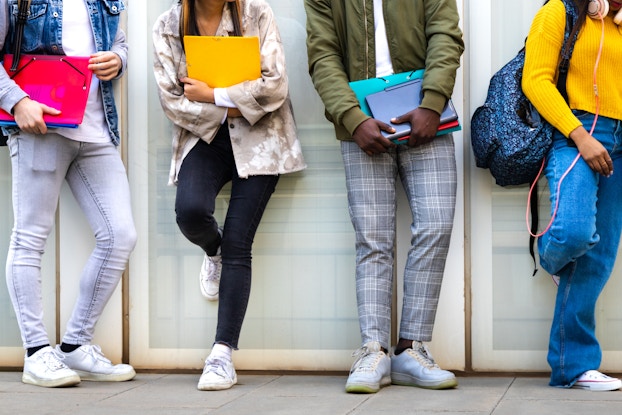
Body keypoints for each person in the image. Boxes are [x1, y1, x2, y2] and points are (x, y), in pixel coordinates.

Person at [304, 0, 464, 393]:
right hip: (360, 124)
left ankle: (411, 349)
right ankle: (372, 350)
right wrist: (352, 118)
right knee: (373, 238)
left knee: (437, 224)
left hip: (428, 117)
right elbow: (322, 54)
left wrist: (432, 102)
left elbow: (446, 36)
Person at [152, 0, 306, 391]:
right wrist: (230, 107)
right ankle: (212, 251)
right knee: (190, 212)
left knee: (240, 242)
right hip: (203, 140)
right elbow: (172, 99)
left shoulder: (257, 13)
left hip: (262, 141)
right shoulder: (169, 25)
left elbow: (275, 86)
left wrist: (215, 94)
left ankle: (221, 355)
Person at [0, 0, 137, 388]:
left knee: (119, 235)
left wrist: (118, 60)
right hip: (40, 129)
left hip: (95, 131)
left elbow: (119, 42)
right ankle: (36, 353)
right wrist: (17, 101)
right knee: (30, 238)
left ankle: (75, 344)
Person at [522, 0, 622, 391]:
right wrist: (580, 137)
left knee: (599, 255)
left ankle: (573, 366)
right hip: (575, 131)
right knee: (574, 234)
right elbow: (536, 81)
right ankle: (550, 257)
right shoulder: (558, 12)